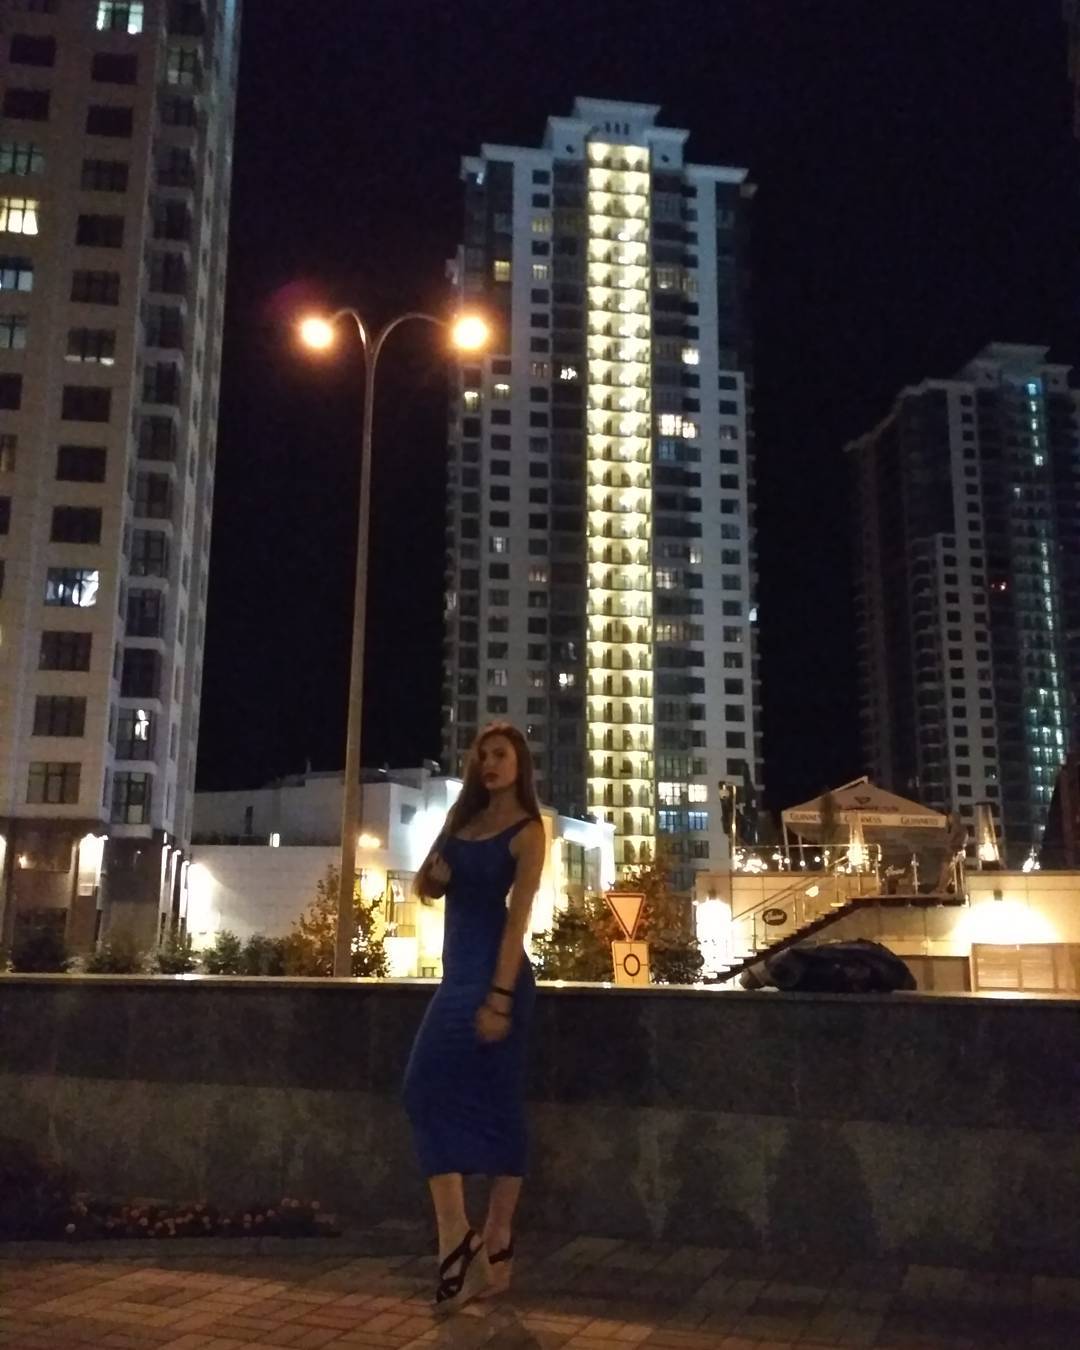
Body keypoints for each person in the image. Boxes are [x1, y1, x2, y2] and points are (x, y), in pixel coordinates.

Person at [403, 722, 545, 1313]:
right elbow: (426, 884)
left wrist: (501, 998)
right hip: (455, 977)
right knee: (421, 1092)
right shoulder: (461, 819)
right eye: (483, 755)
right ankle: (459, 1237)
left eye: (500, 754)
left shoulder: (529, 830)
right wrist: (434, 881)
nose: (490, 763)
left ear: (519, 763)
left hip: (496, 979)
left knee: (499, 1101)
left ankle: (497, 1236)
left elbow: (518, 921)